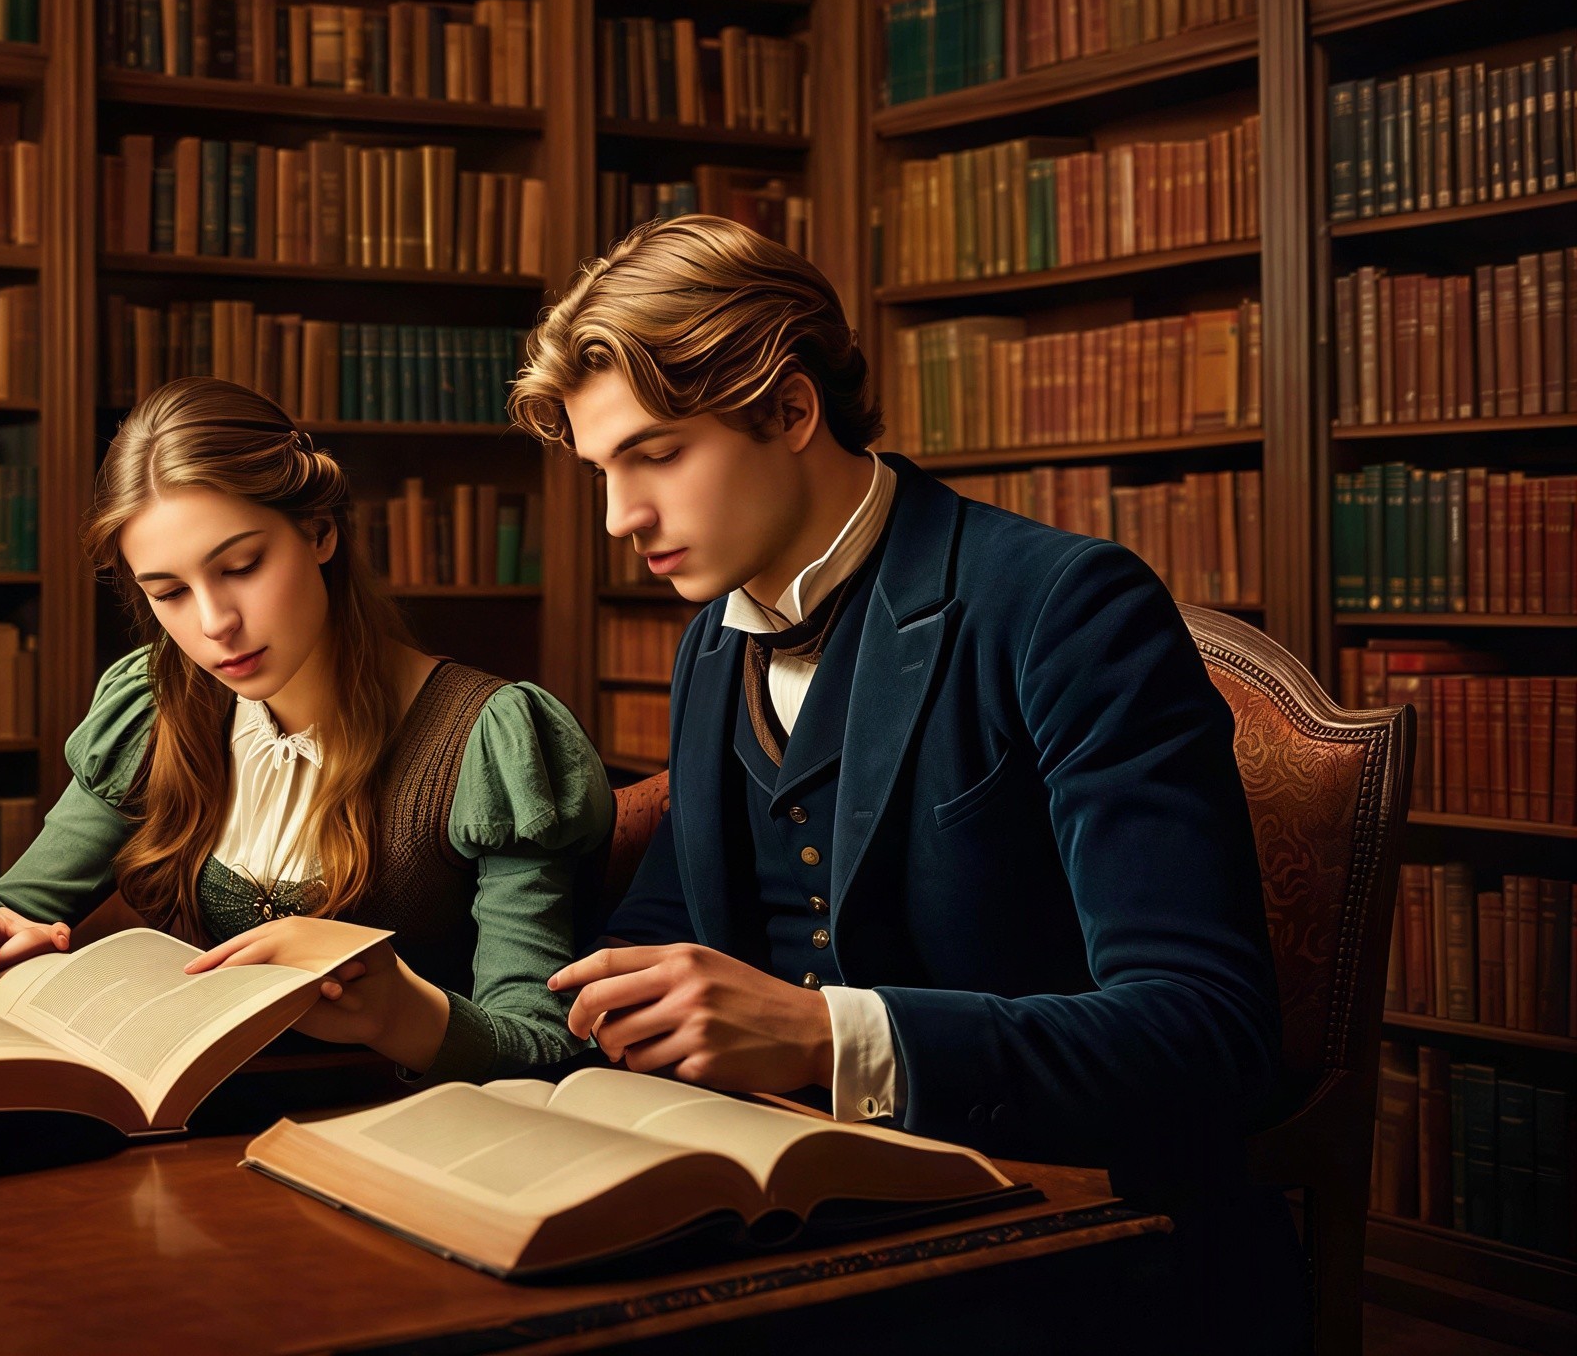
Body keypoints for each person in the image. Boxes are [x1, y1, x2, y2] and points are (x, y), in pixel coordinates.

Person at [510, 216, 1300, 1353]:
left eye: (658, 453)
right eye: (600, 469)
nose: (619, 516)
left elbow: (1204, 1034)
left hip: (1070, 1256)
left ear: (789, 410)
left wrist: (827, 1036)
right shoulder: (710, 643)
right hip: (786, 1230)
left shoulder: (1068, 606)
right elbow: (665, 934)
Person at [0, 376, 613, 1090]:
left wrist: (398, 1009)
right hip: (180, 1144)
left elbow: (543, 1049)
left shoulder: (491, 739)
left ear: (320, 533)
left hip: (405, 1151)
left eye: (240, 566)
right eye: (168, 592)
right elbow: (10, 899)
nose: (214, 625)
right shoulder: (154, 706)